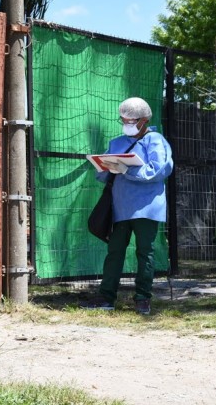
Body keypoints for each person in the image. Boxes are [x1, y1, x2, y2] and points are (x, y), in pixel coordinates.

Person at [82, 97, 173, 315]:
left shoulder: (156, 140)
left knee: (145, 252)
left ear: (144, 120)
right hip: (119, 207)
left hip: (147, 206)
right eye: (123, 120)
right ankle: (106, 297)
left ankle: (143, 298)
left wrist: (128, 170)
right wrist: (103, 166)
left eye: (131, 121)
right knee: (114, 252)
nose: (127, 124)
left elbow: (160, 170)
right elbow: (104, 176)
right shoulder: (116, 142)